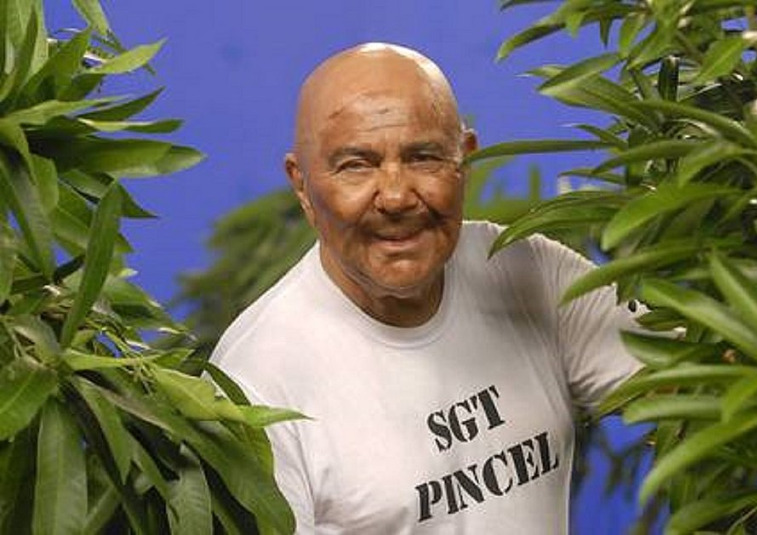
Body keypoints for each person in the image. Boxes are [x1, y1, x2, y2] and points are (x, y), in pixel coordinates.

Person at [211, 42, 642, 534]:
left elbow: (696, 387)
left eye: (424, 158)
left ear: (465, 161)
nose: (396, 196)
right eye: (356, 165)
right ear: (303, 186)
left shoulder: (527, 272)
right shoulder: (256, 380)